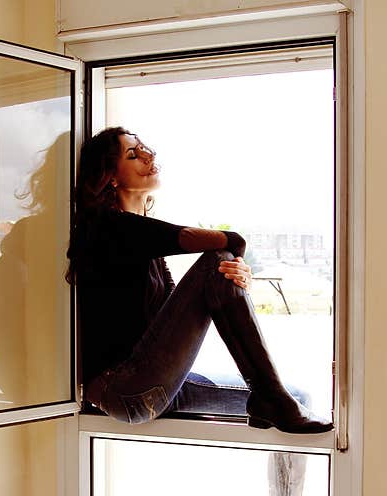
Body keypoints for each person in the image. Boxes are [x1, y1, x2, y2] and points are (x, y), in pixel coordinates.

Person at [67, 127, 333, 435]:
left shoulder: (146, 247)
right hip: (125, 388)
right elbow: (230, 240)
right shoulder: (110, 229)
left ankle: (275, 410)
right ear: (111, 176)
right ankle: (272, 397)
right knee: (217, 259)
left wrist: (232, 276)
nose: (148, 156)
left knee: (298, 396)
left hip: (156, 386)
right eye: (132, 154)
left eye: (143, 148)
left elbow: (175, 315)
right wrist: (230, 261)